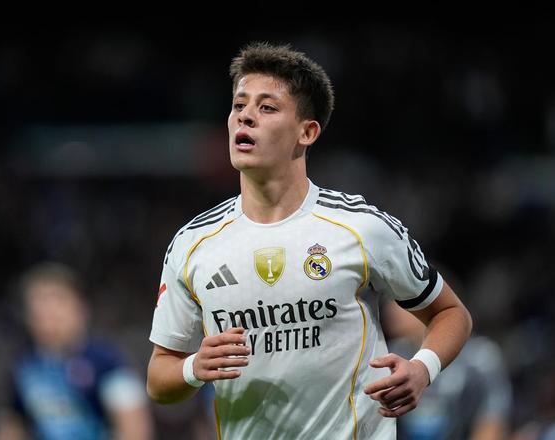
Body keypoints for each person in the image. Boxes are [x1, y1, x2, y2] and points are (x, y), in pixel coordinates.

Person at [146, 42, 472, 439]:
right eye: (239, 105)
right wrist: (193, 367)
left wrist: (422, 369)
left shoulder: (362, 228)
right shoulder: (193, 244)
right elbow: (158, 378)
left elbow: (451, 313)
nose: (245, 116)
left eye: (267, 107)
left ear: (307, 131)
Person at [0, 262, 154, 440]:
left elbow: (134, 428)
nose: (47, 311)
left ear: (80, 308)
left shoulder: (107, 361)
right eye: (39, 303)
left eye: (57, 300)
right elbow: (11, 424)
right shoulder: (25, 367)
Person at [383, 299, 511, 440]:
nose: (390, 309)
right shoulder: (391, 353)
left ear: (433, 303)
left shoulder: (479, 358)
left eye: (400, 298)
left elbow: (492, 417)